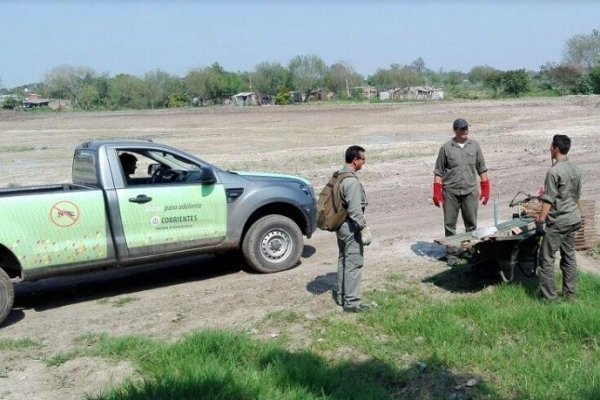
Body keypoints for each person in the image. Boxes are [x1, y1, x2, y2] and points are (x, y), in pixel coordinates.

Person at [535, 134, 582, 301]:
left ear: (555, 149)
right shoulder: (575, 168)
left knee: (546, 258)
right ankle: (570, 294)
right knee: (569, 256)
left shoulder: (554, 171)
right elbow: (577, 196)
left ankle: (549, 298)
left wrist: (541, 221)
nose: (549, 149)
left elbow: (548, 199)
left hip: (559, 222)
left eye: (550, 147)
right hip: (573, 219)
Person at [433, 118, 490, 239]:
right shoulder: (446, 148)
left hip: (470, 191)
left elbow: (482, 169)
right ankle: (452, 254)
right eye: (462, 128)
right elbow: (438, 172)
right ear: (455, 130)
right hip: (450, 192)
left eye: (466, 128)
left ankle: (470, 251)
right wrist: (436, 193)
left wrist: (486, 190)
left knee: (471, 225)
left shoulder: (474, 146)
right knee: (449, 225)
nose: (465, 130)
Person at [332, 145, 372, 313]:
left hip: (340, 226)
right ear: (355, 160)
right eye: (363, 159)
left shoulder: (339, 175)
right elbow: (355, 211)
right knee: (354, 264)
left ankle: (342, 296)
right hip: (350, 227)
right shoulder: (351, 182)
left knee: (343, 260)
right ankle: (351, 302)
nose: (364, 162)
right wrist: (364, 228)